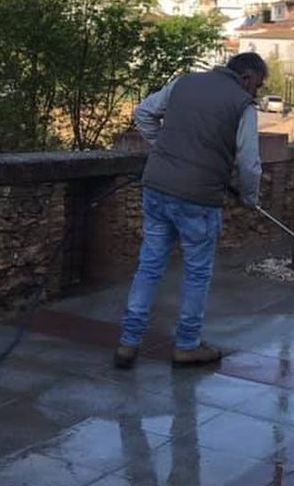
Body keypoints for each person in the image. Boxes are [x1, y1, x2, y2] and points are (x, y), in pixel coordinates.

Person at [114, 52, 267, 369]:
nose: (257, 93)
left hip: (157, 187)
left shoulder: (185, 83)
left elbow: (143, 113)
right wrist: (250, 198)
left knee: (149, 266)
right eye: (259, 86)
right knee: (197, 273)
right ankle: (186, 345)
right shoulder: (242, 104)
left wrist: (165, 150)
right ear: (248, 78)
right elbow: (250, 163)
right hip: (199, 198)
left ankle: (128, 343)